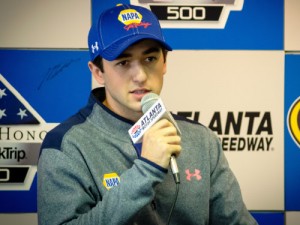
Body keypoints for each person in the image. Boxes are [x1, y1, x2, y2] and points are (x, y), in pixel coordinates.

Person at [37, 3, 258, 225]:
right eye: (123, 62)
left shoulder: (201, 140)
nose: (140, 76)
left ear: (165, 63)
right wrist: (146, 170)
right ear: (98, 72)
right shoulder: (67, 145)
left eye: (150, 59)